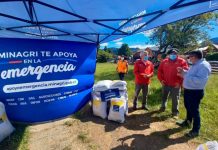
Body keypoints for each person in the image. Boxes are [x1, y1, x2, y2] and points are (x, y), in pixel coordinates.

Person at [177, 50, 211, 137]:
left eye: (190, 57)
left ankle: (196, 130)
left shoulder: (203, 65)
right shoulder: (196, 64)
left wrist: (185, 75)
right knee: (188, 107)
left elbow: (200, 81)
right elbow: (190, 74)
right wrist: (183, 71)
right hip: (189, 90)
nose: (189, 59)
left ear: (194, 56)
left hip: (195, 92)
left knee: (194, 111)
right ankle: (188, 122)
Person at [157, 48, 188, 117]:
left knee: (175, 99)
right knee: (164, 97)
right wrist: (161, 80)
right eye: (171, 54)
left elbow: (185, 73)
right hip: (165, 84)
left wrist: (180, 83)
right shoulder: (164, 61)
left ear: (177, 54)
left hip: (176, 85)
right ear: (169, 54)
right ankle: (162, 107)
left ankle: (175, 112)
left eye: (175, 53)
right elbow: (159, 71)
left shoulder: (182, 61)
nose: (173, 55)